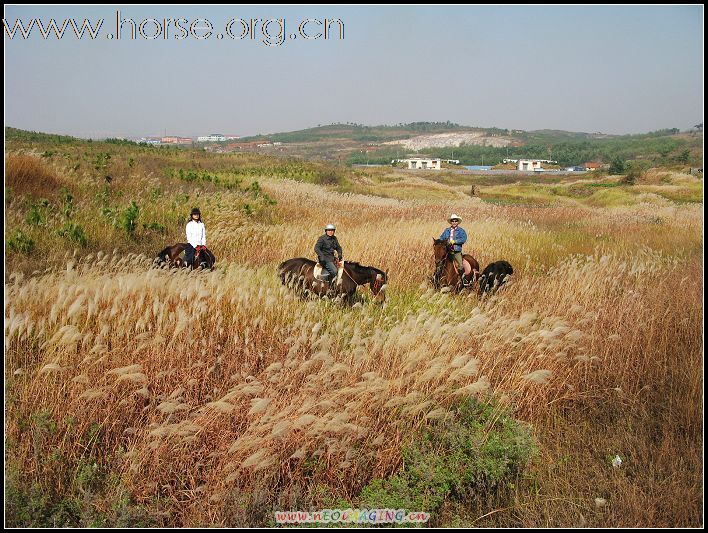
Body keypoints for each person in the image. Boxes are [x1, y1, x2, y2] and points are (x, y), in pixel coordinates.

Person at [438, 214, 468, 284]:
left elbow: (464, 239)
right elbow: (441, 238)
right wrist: (440, 242)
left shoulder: (461, 231)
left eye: (455, 221)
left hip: (456, 251)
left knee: (460, 265)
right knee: (440, 264)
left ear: (457, 222)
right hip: (447, 251)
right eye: (452, 221)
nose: (454, 222)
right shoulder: (447, 230)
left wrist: (455, 241)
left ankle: (464, 279)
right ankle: (437, 278)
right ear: (451, 222)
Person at [314, 223, 343, 289]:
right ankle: (330, 286)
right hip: (324, 259)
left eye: (332, 230)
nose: (330, 232)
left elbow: (338, 247)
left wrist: (340, 254)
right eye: (329, 230)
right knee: (334, 271)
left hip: (332, 258)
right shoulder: (322, 238)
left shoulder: (334, 238)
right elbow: (316, 248)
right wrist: (321, 256)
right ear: (326, 231)